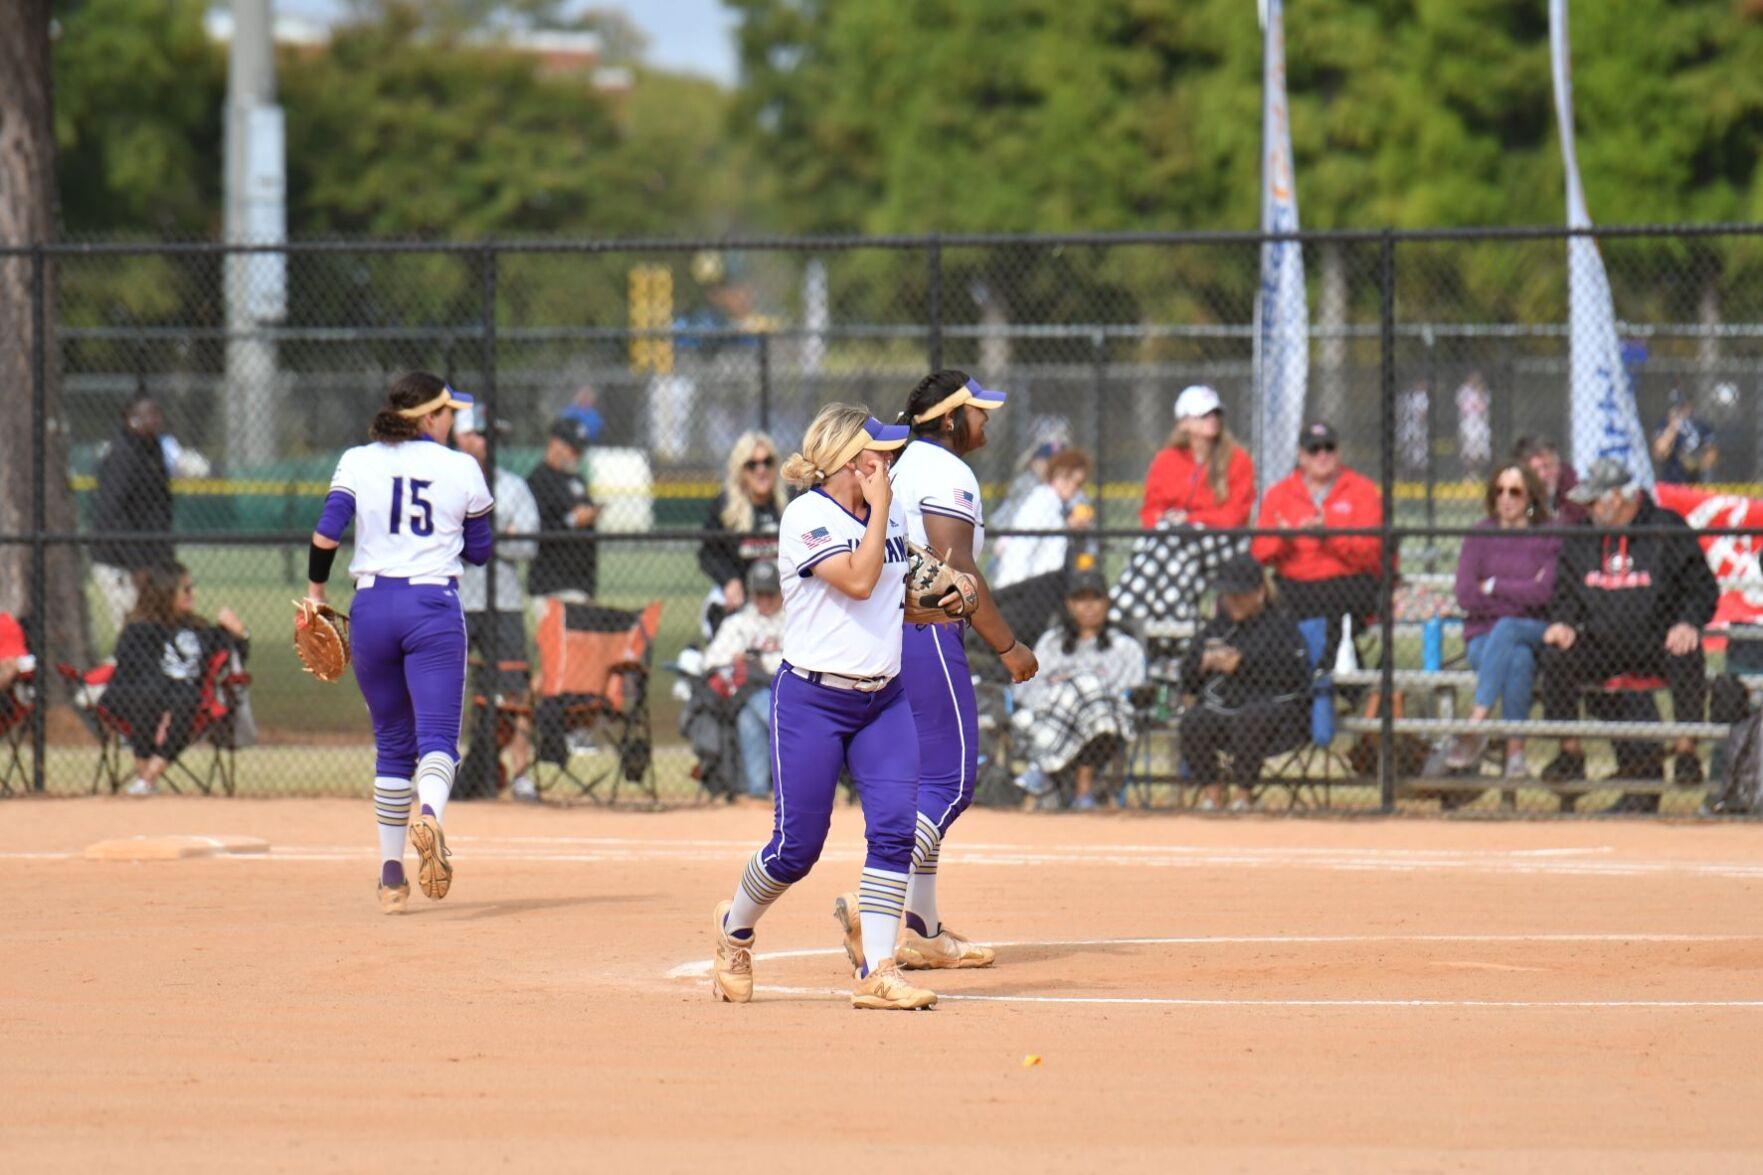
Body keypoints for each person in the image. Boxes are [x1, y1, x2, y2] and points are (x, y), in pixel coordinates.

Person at [709, 403, 937, 1011]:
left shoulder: (886, 511)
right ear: (847, 461)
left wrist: (946, 594)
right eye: (877, 452)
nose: (887, 459)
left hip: (882, 700)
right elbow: (859, 580)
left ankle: (879, 971)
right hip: (813, 700)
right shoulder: (805, 517)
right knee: (796, 848)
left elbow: (894, 592)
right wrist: (883, 507)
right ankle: (734, 929)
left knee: (894, 830)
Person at [833, 369, 1036, 978]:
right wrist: (1008, 646)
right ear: (949, 420)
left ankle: (921, 928)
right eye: (976, 412)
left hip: (883, 634)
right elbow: (959, 565)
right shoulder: (949, 472)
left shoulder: (897, 465)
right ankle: (875, 906)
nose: (986, 421)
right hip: (926, 634)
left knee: (923, 785)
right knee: (950, 786)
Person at [306, 372, 493, 914]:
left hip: (371, 607)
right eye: (448, 413)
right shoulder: (461, 467)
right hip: (431, 607)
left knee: (391, 742)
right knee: (437, 738)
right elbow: (479, 552)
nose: (454, 422)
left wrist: (316, 594)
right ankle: (429, 816)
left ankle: (391, 878)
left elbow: (326, 533)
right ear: (429, 417)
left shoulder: (357, 460)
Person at [1536, 457, 1720, 808]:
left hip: (1656, 640)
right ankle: (1570, 753)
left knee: (1687, 651)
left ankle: (1685, 753)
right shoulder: (1582, 537)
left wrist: (1687, 623)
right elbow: (1564, 593)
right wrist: (1562, 622)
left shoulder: (1665, 528)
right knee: (1557, 654)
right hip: (1601, 642)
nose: (1588, 509)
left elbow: (1702, 589)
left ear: (1616, 498)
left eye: (1594, 501)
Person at [1448, 464, 1561, 779]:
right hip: (1483, 636)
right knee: (1518, 660)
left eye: (1514, 491)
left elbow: (1544, 594)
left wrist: (1495, 586)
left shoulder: (1548, 536)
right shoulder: (1479, 535)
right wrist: (1520, 593)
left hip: (1532, 630)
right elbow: (1466, 595)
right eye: (1499, 491)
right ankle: (1515, 757)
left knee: (1511, 629)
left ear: (1530, 497)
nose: (1506, 499)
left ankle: (1476, 722)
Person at [1114, 385, 1256, 631]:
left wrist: (1189, 519)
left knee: (1171, 539)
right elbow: (1150, 512)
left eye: (1215, 414)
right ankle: (1176, 629)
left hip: (1224, 541)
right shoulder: (1166, 460)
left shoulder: (1237, 458)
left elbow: (1235, 516)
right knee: (1178, 562)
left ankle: (1120, 613)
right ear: (1183, 423)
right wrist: (1168, 521)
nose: (1211, 420)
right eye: (1203, 416)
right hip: (1175, 546)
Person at [453, 404, 540, 801]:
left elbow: (527, 544)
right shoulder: (444, 484)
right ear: (461, 437)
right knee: (449, 686)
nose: (486, 443)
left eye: (490, 436)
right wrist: (494, 536)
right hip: (457, 599)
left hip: (503, 600)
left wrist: (489, 539)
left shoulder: (512, 487)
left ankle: (521, 774)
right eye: (479, 434)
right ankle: (442, 769)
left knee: (514, 687)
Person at [1178, 555, 1311, 811]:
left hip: (1276, 715)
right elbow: (1187, 679)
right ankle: (1214, 796)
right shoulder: (1218, 627)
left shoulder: (1280, 626)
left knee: (1252, 717)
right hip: (1224, 711)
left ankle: (1243, 797)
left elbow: (1295, 675)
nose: (1233, 601)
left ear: (1259, 593)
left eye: (1241, 594)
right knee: (1194, 720)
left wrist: (1244, 664)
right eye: (1228, 595)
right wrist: (1203, 663)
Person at [104, 562, 250, 797]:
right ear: (165, 591)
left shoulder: (199, 629)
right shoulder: (139, 630)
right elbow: (132, 671)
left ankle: (148, 777)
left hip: (186, 702)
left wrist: (240, 633)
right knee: (147, 695)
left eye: (192, 588)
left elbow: (235, 659)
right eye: (186, 589)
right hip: (143, 699)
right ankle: (146, 780)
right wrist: (165, 704)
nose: (193, 594)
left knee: (186, 698)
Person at [1250, 420, 1383, 667]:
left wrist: (1329, 535)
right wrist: (1284, 539)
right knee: (1268, 605)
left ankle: (1322, 680)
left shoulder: (1361, 490)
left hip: (1346, 584)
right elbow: (1260, 553)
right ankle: (1326, 680)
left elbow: (1371, 553)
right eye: (1314, 450)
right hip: (1294, 585)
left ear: (1338, 452)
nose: (1322, 455)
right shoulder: (1280, 493)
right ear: (1301, 456)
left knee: (1331, 609)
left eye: (1328, 448)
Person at [1013, 571, 1147, 810]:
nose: (1088, 607)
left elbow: (1129, 696)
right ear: (1069, 605)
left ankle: (1042, 770)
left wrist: (1082, 688)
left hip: (1103, 720)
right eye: (1080, 600)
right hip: (1052, 717)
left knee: (1091, 694)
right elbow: (1028, 689)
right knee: (1074, 690)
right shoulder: (1050, 643)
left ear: (1107, 603)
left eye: (1095, 599)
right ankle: (1081, 793)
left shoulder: (1126, 647)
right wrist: (1065, 695)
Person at [701, 560, 786, 800]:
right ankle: (770, 788)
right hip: (752, 692)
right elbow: (710, 662)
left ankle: (758, 792)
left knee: (750, 717)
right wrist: (736, 660)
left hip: (787, 689)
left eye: (771, 594)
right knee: (755, 702)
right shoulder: (738, 624)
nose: (766, 600)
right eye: (760, 594)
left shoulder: (793, 620)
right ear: (751, 594)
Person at [91, 394, 174, 633]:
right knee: (130, 627)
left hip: (149, 555)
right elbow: (112, 513)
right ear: (131, 420)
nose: (157, 420)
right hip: (118, 559)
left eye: (158, 414)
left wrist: (161, 556)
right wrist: (136, 564)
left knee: (155, 625)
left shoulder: (154, 451)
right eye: (149, 415)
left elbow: (161, 507)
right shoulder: (122, 455)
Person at [697, 431, 788, 639]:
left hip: (783, 596)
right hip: (742, 594)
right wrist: (728, 581)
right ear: (741, 470)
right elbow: (708, 554)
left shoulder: (790, 505)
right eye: (752, 465)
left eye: (767, 462)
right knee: (716, 604)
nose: (761, 470)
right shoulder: (724, 507)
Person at [526, 416, 599, 620]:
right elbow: (535, 530)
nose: (578, 455)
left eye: (580, 450)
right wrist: (571, 521)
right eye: (573, 449)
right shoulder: (538, 480)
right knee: (561, 648)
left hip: (580, 581)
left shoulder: (577, 479)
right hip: (551, 583)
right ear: (555, 444)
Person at [991, 448, 1093, 591]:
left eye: (1077, 483)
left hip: (1041, 586)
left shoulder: (1057, 504)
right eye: (1066, 479)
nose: (1071, 487)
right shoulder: (1042, 501)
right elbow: (1022, 549)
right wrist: (1013, 590)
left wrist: (1071, 527)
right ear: (1053, 475)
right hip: (1023, 586)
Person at [1514, 436, 1588, 526]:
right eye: (1535, 471)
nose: (1543, 475)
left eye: (1547, 467)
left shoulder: (1571, 489)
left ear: (1558, 466)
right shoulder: (1515, 492)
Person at [1653, 390, 1719, 484]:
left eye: (1682, 406)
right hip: (1670, 481)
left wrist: (1698, 464)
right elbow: (1660, 452)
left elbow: (1712, 454)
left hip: (1695, 481)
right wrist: (1672, 427)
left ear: (1689, 406)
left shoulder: (1700, 425)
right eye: (1676, 407)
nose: (1679, 410)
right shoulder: (1664, 425)